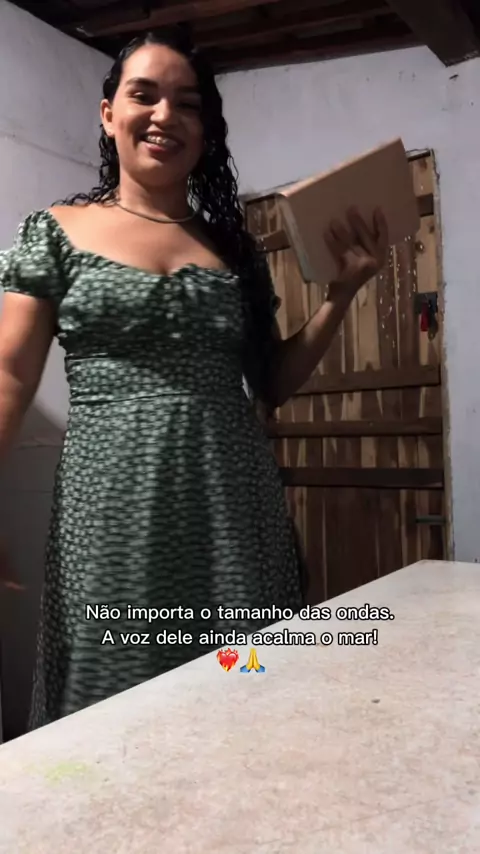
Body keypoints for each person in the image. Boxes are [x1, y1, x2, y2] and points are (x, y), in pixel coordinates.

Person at [0, 27, 388, 730]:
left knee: (244, 689)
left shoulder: (233, 249)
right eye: (144, 95)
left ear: (205, 130)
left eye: (187, 103)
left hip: (233, 508)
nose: (165, 116)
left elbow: (273, 382)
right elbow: (8, 376)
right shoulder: (54, 231)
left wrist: (340, 297)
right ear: (108, 113)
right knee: (112, 698)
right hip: (112, 508)